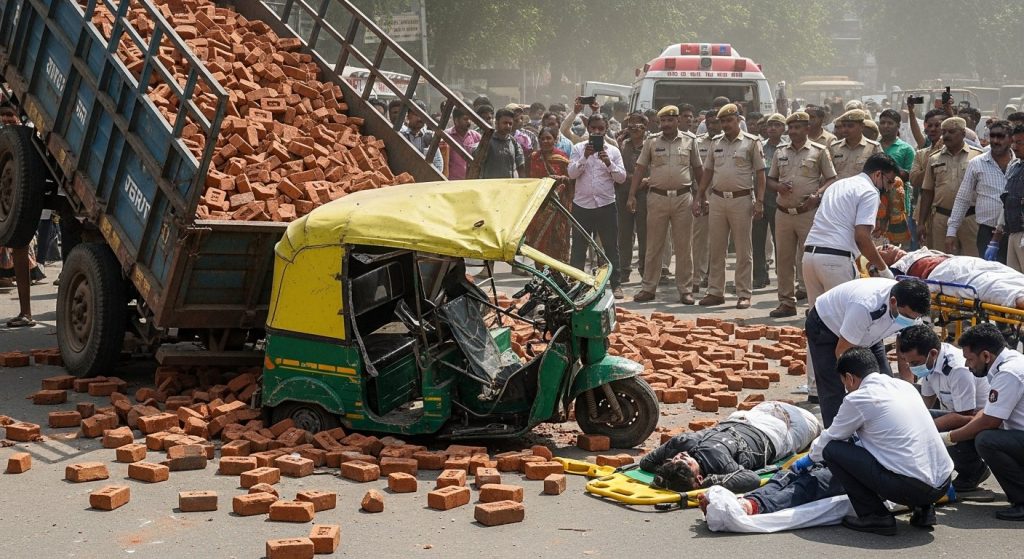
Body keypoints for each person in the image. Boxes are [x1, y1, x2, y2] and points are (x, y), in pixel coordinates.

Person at [796, 347, 953, 534]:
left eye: (845, 382)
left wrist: (809, 459)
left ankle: (875, 516)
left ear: (850, 378)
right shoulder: (904, 386)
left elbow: (831, 437)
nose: (847, 388)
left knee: (832, 450)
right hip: (943, 482)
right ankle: (925, 510)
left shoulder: (859, 398)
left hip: (912, 488)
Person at [806, 277, 931, 427]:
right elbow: (842, 352)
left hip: (869, 333)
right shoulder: (865, 306)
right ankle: (836, 438)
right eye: (907, 317)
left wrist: (908, 387)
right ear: (893, 302)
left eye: (915, 318)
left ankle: (884, 428)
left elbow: (905, 350)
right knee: (833, 388)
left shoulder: (911, 314)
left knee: (885, 381)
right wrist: (857, 390)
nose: (911, 320)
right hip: (827, 326)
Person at [641, 401, 821, 493]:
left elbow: (645, 462)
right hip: (784, 428)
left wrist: (665, 475)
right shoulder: (719, 464)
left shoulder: (682, 443)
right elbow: (752, 479)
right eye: (685, 463)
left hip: (755, 415)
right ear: (699, 477)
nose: (681, 456)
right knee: (817, 426)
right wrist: (710, 482)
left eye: (675, 460)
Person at [896, 324, 992, 494]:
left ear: (932, 353)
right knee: (914, 418)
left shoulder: (958, 369)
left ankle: (974, 470)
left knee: (928, 427)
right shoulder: (931, 364)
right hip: (957, 414)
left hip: (978, 421)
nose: (912, 368)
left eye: (915, 363)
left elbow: (965, 416)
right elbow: (925, 403)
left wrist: (924, 430)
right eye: (909, 363)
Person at [942, 323, 1024, 520]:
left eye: (970, 359)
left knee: (986, 439)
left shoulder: (1008, 373)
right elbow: (986, 413)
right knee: (972, 426)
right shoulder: (1007, 364)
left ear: (986, 356)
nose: (968, 366)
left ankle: (1022, 501)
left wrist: (948, 438)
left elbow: (989, 422)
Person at [694, 104, 766, 310]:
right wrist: (700, 196)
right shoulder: (715, 143)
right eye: (722, 121)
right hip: (717, 199)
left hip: (741, 200)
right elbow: (707, 172)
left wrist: (759, 202)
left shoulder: (751, 143)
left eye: (729, 120)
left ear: (738, 120)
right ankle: (715, 291)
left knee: (744, 250)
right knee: (716, 248)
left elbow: (760, 174)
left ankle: (744, 293)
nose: (725, 125)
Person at [629, 106, 703, 304]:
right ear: (659, 123)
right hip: (657, 197)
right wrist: (632, 195)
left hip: (683, 198)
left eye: (670, 120)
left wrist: (701, 196)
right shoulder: (651, 142)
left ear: (677, 121)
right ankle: (648, 288)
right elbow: (640, 168)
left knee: (683, 247)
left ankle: (685, 290)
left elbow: (698, 169)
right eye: (663, 121)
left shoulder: (690, 141)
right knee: (654, 245)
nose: (667, 124)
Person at [767, 112, 837, 318]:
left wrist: (817, 195)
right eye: (791, 128)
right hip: (783, 213)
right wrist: (778, 186)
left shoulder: (819, 151)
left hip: (808, 213)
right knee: (784, 259)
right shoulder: (780, 152)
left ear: (807, 129)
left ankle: (814, 304)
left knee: (809, 260)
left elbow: (832, 179)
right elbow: (770, 179)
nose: (794, 131)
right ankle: (786, 302)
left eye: (798, 127)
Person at [567, 113, 626, 298]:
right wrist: (585, 157)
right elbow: (571, 174)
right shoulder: (578, 148)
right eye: (593, 128)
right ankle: (576, 284)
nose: (597, 131)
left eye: (601, 129)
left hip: (606, 205)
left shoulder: (614, 151)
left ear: (606, 130)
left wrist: (608, 162)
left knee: (610, 247)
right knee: (578, 247)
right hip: (582, 206)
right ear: (588, 129)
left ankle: (616, 284)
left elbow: (622, 178)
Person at [947, 120, 1014, 261]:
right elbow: (963, 198)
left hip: (1015, 232)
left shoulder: (1018, 164)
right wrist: (951, 231)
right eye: (992, 136)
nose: (995, 141)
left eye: (1000, 137)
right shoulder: (977, 163)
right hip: (987, 232)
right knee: (989, 276)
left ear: (1011, 139)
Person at [919, 117, 985, 255]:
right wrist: (921, 222)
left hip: (970, 218)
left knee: (973, 262)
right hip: (942, 218)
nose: (946, 136)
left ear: (963, 134)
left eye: (952, 131)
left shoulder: (978, 156)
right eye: (944, 132)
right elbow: (927, 191)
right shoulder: (934, 158)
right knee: (942, 262)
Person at [523, 127, 571, 261]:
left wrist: (559, 179)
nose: (545, 141)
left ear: (555, 140)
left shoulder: (561, 157)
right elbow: (528, 179)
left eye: (549, 138)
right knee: (539, 239)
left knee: (557, 239)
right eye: (542, 138)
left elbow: (571, 180)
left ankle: (558, 271)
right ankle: (540, 270)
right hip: (539, 204)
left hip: (559, 205)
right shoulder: (533, 157)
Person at [753, 114, 786, 290]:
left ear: (783, 128)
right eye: (770, 125)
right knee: (756, 239)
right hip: (760, 197)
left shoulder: (787, 147)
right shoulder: (759, 146)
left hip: (779, 198)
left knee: (780, 239)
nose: (772, 128)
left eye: (777, 125)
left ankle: (783, 276)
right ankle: (759, 275)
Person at [616, 113, 650, 281]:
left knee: (645, 233)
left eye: (637, 126)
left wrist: (648, 180)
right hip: (624, 191)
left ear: (645, 127)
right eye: (630, 126)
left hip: (645, 192)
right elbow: (616, 166)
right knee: (624, 233)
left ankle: (644, 268)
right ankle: (624, 270)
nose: (634, 129)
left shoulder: (651, 144)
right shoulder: (622, 145)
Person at [690, 110, 718, 294]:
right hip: (701, 194)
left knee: (719, 240)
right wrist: (697, 196)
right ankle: (697, 277)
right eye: (710, 123)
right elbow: (692, 169)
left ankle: (714, 277)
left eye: (716, 122)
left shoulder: (729, 143)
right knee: (699, 239)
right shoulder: (697, 142)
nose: (713, 126)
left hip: (724, 194)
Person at [829, 109, 883, 180]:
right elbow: (828, 174)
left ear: (862, 127)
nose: (845, 129)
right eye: (844, 126)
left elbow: (881, 173)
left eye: (850, 126)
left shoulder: (873, 147)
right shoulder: (834, 147)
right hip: (839, 189)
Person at [474, 108, 525, 179]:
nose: (508, 126)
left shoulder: (513, 142)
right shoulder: (487, 141)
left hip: (510, 186)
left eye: (510, 124)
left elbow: (520, 165)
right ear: (496, 123)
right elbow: (476, 162)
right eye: (505, 123)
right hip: (491, 186)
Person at [1000, 125, 1024, 271]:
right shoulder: (1015, 166)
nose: (1014, 147)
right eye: (1013, 142)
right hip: (1013, 233)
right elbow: (1006, 201)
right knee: (1015, 283)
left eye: (1020, 142)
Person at [399, 100, 444, 173]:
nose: (420, 118)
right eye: (416, 114)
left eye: (422, 115)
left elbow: (438, 163)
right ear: (408, 116)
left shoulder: (429, 137)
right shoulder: (402, 136)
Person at [444, 106, 482, 180]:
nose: (469, 122)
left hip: (471, 181)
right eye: (465, 119)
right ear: (456, 120)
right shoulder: (447, 136)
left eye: (470, 119)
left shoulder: (476, 136)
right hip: (452, 181)